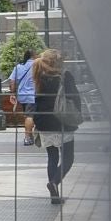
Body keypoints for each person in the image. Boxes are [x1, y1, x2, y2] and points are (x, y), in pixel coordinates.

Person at [31, 48, 81, 205]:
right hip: (62, 121)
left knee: (52, 157)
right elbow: (74, 96)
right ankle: (55, 182)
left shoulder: (39, 76)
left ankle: (54, 196)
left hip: (44, 122)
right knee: (68, 158)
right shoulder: (65, 76)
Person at [8, 48, 38, 145]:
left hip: (22, 96)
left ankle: (31, 136)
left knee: (28, 115)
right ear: (33, 55)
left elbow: (12, 81)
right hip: (33, 95)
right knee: (30, 116)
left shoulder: (19, 66)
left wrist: (12, 93)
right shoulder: (37, 65)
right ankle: (27, 137)